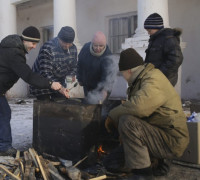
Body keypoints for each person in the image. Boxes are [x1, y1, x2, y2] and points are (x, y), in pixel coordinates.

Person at [0, 26, 64, 156]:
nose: (34, 47)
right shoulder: (15, 53)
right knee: (4, 113)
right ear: (25, 40)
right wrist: (50, 83)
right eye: (33, 43)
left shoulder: (8, 45)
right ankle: (4, 147)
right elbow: (28, 76)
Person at [105, 48, 189, 179]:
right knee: (110, 163)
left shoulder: (153, 79)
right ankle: (155, 162)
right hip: (157, 132)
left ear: (128, 71)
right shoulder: (142, 78)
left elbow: (139, 107)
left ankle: (143, 174)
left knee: (127, 122)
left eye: (122, 74)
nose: (124, 78)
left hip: (171, 139)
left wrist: (112, 116)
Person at [30, 26, 77, 100]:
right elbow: (45, 73)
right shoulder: (47, 48)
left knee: (62, 105)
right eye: (64, 42)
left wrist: (69, 78)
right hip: (42, 84)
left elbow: (73, 67)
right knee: (46, 107)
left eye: (70, 43)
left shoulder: (73, 48)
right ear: (59, 38)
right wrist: (60, 88)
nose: (67, 46)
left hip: (60, 83)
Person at [144, 13, 183, 86]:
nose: (148, 33)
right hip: (155, 78)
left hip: (165, 80)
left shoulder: (168, 38)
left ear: (157, 28)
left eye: (149, 30)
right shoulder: (154, 39)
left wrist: (160, 73)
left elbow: (176, 59)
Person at [77, 31, 116, 102]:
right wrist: (79, 78)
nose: (98, 48)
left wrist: (105, 89)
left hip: (100, 88)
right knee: (88, 104)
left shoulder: (108, 56)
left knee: (99, 107)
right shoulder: (85, 48)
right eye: (95, 45)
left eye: (101, 46)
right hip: (87, 85)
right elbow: (79, 63)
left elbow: (109, 76)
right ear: (92, 43)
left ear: (104, 45)